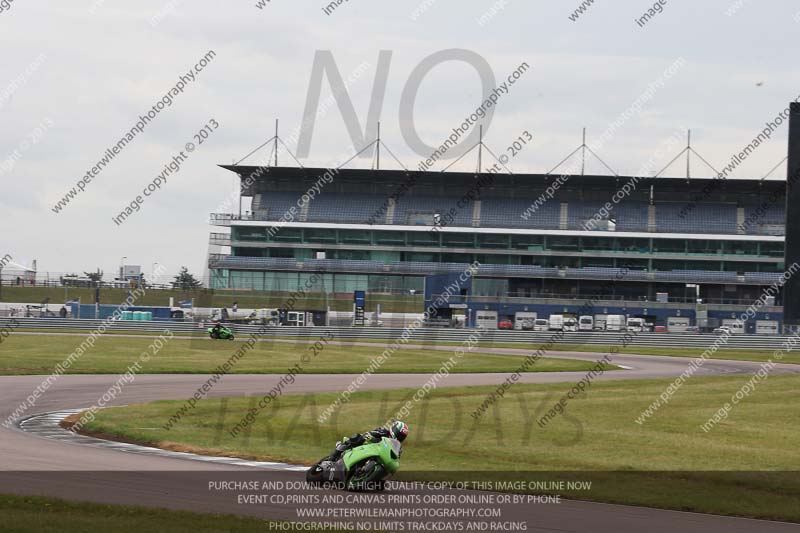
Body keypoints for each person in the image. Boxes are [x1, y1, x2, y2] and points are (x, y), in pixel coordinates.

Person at [324, 421, 409, 463]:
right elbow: (368, 434)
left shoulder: (399, 447)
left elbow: (395, 459)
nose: (400, 437)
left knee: (381, 485)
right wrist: (371, 438)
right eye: (399, 434)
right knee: (357, 437)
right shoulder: (383, 431)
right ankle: (334, 455)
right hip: (366, 446)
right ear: (394, 429)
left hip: (378, 457)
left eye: (402, 436)